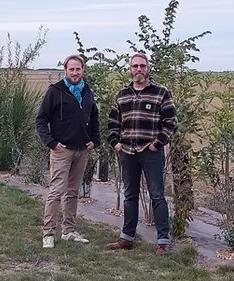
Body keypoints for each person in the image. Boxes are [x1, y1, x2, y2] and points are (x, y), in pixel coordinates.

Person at [105, 53, 178, 256]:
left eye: (142, 66)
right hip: (127, 152)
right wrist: (115, 143)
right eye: (135, 66)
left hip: (150, 152)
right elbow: (113, 123)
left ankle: (163, 241)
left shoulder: (161, 93)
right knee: (130, 195)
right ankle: (127, 238)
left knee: (157, 196)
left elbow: (171, 123)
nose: (138, 69)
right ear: (130, 69)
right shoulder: (122, 95)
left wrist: (157, 144)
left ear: (148, 69)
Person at [35, 54, 101, 248]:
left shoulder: (87, 92)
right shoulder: (55, 91)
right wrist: (51, 142)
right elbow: (41, 120)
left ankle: (69, 231)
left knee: (72, 192)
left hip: (82, 150)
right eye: (71, 69)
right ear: (65, 71)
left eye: (78, 69)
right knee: (56, 191)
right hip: (61, 150)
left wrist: (95, 140)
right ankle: (48, 233)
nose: (74, 72)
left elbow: (94, 118)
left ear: (83, 70)